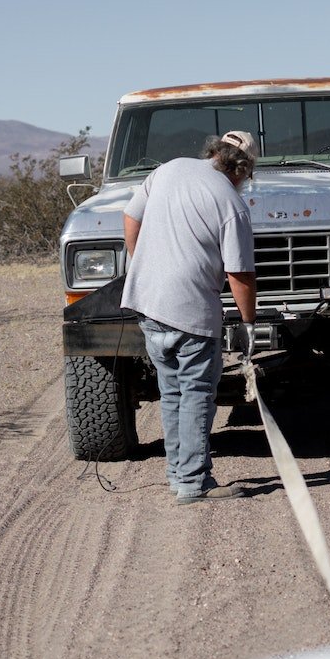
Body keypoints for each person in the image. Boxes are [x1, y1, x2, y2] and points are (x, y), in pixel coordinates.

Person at [121, 130, 258, 504]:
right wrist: (248, 324)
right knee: (196, 392)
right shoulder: (230, 202)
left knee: (172, 392)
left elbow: (131, 218)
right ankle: (194, 483)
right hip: (192, 311)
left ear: (214, 152)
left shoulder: (168, 169)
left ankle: (178, 475)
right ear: (241, 168)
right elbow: (240, 274)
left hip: (149, 304)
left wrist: (143, 266)